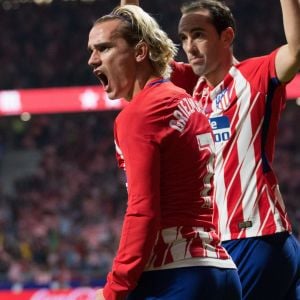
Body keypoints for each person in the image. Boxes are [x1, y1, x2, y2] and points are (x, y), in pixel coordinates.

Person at [121, 0, 300, 299]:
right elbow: (139, 61)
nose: (189, 46)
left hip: (252, 236)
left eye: (199, 35)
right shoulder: (192, 88)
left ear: (227, 37)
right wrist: (129, 6)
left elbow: (295, 51)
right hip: (255, 242)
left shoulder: (254, 75)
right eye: (184, 38)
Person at [87, 4, 242, 300]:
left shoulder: (140, 115)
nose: (92, 60)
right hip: (220, 271)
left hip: (173, 277)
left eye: (103, 48)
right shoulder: (185, 100)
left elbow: (143, 210)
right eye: (92, 50)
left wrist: (114, 290)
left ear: (140, 52)